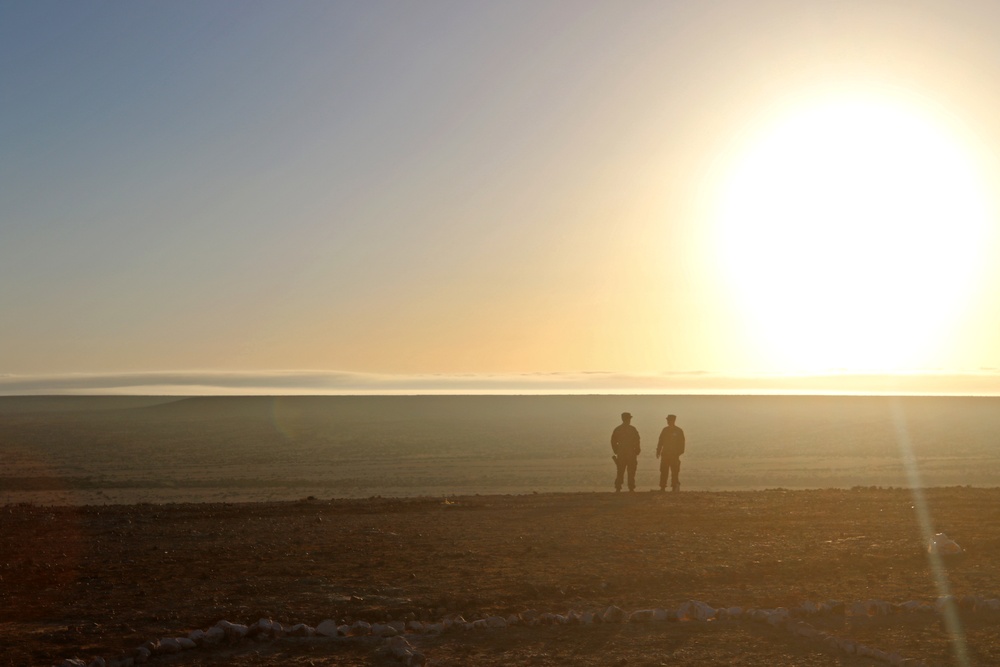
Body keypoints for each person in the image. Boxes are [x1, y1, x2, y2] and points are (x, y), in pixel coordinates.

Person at [610, 412, 641, 492]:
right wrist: (637, 450)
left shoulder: (618, 429)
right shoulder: (632, 429)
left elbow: (613, 441)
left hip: (623, 453)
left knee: (621, 470)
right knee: (630, 471)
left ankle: (618, 487)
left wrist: (617, 450)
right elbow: (637, 440)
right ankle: (630, 487)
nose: (629, 420)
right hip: (630, 453)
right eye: (629, 418)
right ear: (627, 419)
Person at [656, 414, 685, 492]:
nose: (668, 422)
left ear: (673, 420)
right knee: (663, 471)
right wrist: (658, 451)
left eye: (669, 420)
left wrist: (678, 453)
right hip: (665, 454)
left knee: (675, 472)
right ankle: (662, 487)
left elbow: (682, 444)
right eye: (667, 420)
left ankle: (674, 487)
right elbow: (660, 441)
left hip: (674, 455)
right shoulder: (665, 430)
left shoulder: (679, 431)